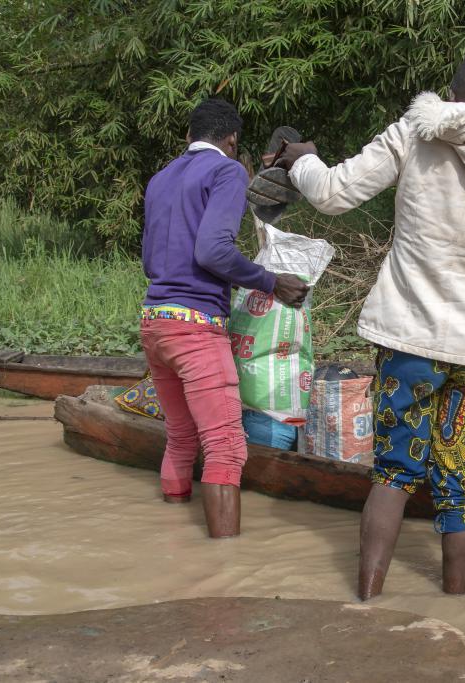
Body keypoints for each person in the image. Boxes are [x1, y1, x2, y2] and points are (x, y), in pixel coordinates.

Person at [273, 54, 465, 598]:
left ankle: (365, 602)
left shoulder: (415, 134)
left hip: (408, 341)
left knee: (393, 474)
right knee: (464, 489)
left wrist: (303, 160)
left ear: (453, 93)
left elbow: (331, 194)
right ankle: (457, 615)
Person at [141, 97, 308, 538]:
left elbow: (150, 259)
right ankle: (224, 566)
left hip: (155, 321)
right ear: (232, 140)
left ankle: (173, 530)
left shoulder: (160, 178)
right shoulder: (227, 171)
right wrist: (270, 281)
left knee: (180, 435)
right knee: (227, 447)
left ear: (188, 137)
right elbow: (213, 251)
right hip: (195, 329)